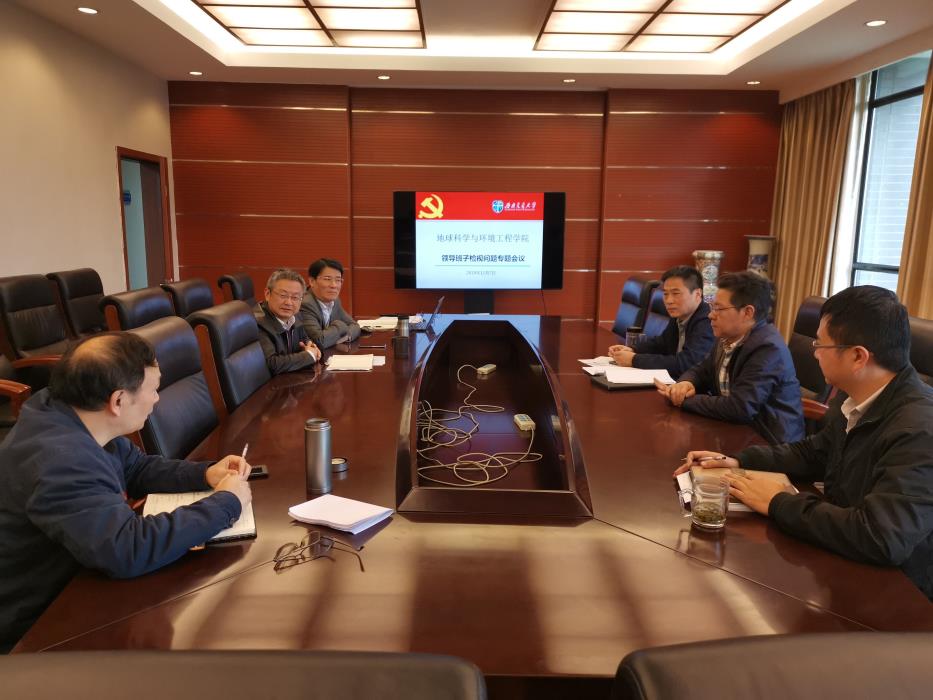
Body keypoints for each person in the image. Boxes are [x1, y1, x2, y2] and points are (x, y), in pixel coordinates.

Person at [0, 333, 253, 652]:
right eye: (154, 389)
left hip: (79, 575)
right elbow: (128, 549)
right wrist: (226, 503)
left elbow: (136, 468)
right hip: (36, 626)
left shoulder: (69, 410)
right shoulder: (63, 461)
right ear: (118, 401)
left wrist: (204, 473)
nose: (158, 399)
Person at [678, 286, 933, 599]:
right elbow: (815, 452)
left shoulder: (919, 428)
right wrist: (740, 460)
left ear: (858, 356)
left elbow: (881, 536)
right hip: (844, 560)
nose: (814, 353)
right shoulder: (856, 398)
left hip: (901, 596)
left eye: (820, 344)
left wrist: (778, 502)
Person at [655, 271, 804, 444]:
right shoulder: (727, 336)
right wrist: (685, 383)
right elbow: (702, 370)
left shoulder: (767, 349)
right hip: (735, 432)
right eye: (712, 307)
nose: (711, 315)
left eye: (719, 309)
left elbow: (740, 408)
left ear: (748, 312)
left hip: (769, 443)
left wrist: (684, 400)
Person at [608, 265, 714, 380]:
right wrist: (633, 349)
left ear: (697, 294)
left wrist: (634, 359)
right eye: (665, 294)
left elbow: (686, 363)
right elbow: (661, 343)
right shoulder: (679, 315)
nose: (669, 301)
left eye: (676, 293)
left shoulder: (707, 321)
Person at [255, 268, 322, 375]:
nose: (288, 303)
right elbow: (272, 364)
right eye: (283, 295)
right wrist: (309, 355)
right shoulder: (258, 324)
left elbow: (304, 338)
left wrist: (310, 346)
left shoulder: (296, 316)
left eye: (295, 297)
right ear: (267, 294)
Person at [300, 258, 361, 349]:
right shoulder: (305, 304)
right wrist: (340, 325)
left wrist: (347, 336)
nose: (334, 285)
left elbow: (355, 326)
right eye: (327, 279)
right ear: (312, 281)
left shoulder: (335, 301)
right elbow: (320, 341)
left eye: (338, 280)